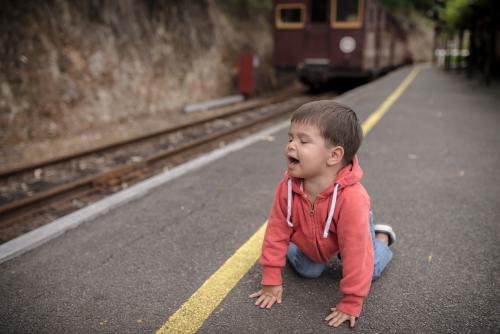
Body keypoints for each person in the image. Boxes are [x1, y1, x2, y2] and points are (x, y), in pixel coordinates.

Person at [249, 100, 396, 328]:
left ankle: (381, 237)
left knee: (369, 269)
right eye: (290, 138)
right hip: (316, 237)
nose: (290, 146)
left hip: (350, 228)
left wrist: (352, 301)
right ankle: (310, 247)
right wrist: (270, 279)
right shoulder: (287, 188)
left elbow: (356, 253)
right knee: (308, 270)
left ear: (334, 156)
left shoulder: (352, 199)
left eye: (303, 141)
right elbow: (277, 231)